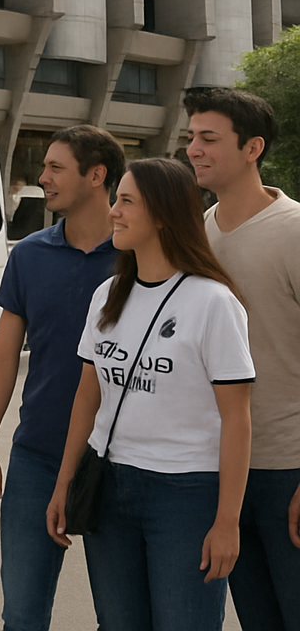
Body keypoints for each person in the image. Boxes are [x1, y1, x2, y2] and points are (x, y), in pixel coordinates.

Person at [46, 157, 254, 631]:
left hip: (184, 495)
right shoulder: (108, 294)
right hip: (110, 484)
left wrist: (227, 522)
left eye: (126, 201)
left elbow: (238, 419)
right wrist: (64, 484)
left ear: (162, 214)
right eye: (116, 200)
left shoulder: (213, 302)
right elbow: (87, 398)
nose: (113, 211)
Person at [0, 125, 124, 631]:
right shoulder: (30, 255)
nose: (43, 178)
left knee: (121, 616)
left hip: (119, 460)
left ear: (96, 175)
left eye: (56, 168)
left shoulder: (139, 257)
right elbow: (2, 357)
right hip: (37, 456)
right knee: (22, 613)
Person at [185, 86, 300, 631]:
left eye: (209, 138)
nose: (195, 149)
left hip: (290, 468)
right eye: (191, 138)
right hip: (224, 471)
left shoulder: (294, 230)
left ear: (253, 147)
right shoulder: (197, 236)